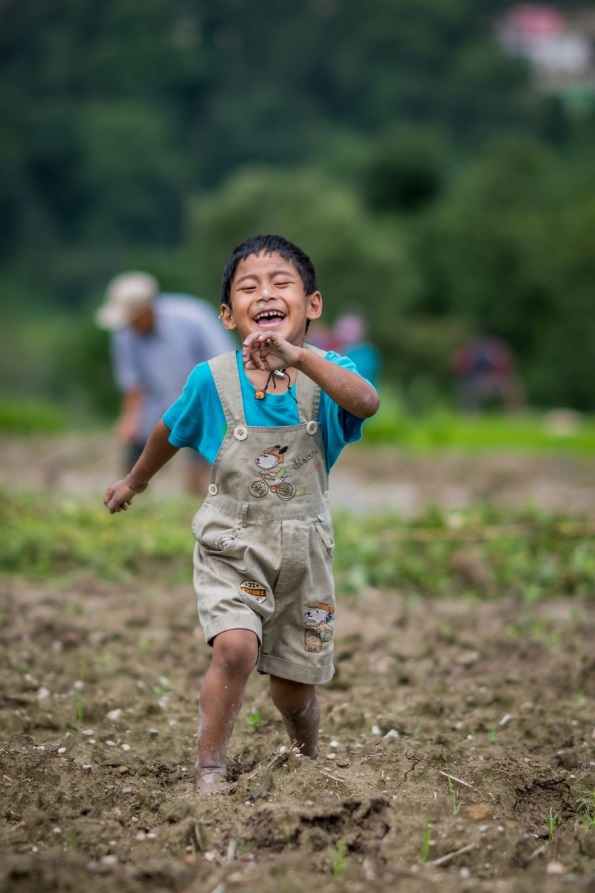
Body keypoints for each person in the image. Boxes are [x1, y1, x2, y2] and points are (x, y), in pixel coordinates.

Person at [103, 234, 380, 794]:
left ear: (313, 305)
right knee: (234, 648)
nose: (267, 293)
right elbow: (168, 429)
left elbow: (367, 402)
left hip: (305, 553)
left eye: (282, 283)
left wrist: (301, 358)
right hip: (232, 543)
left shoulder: (328, 373)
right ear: (229, 314)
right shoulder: (213, 379)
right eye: (249, 287)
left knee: (292, 692)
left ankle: (307, 761)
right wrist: (136, 479)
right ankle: (210, 770)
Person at [95, 272, 235, 496]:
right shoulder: (125, 332)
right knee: (135, 459)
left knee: (198, 467)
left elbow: (224, 362)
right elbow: (132, 382)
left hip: (204, 399)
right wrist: (129, 420)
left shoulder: (193, 317)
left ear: (146, 309)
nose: (130, 325)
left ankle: (196, 505)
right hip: (157, 403)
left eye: (134, 319)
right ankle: (135, 505)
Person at [333, 311, 381, 387]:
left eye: (351, 329)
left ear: (362, 331)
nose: (346, 332)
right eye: (344, 327)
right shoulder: (337, 348)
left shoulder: (365, 355)